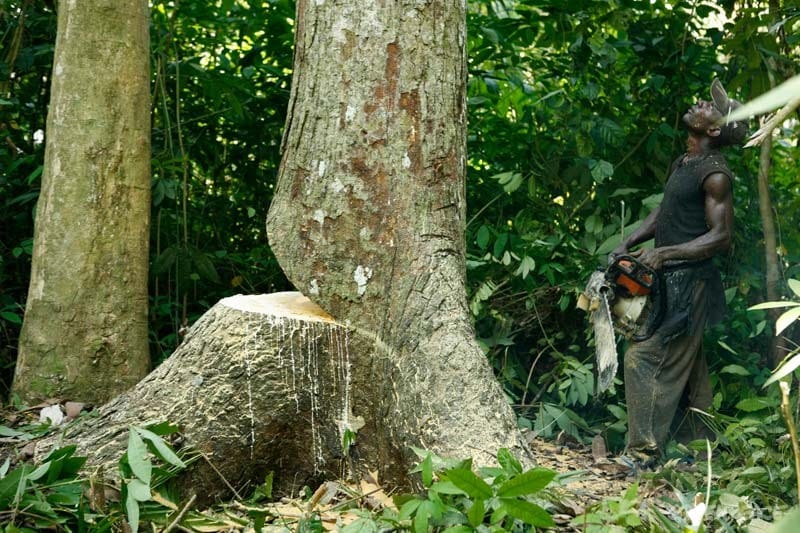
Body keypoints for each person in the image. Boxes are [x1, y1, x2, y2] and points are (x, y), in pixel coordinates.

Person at [609, 79, 748, 466]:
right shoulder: (685, 162)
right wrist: (629, 241)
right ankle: (701, 444)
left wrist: (664, 253)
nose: (701, 102)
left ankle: (643, 454)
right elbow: (665, 209)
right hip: (668, 281)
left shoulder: (716, 174)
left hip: (690, 285)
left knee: (642, 359)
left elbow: (721, 236)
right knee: (689, 362)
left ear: (714, 130)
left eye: (710, 106)